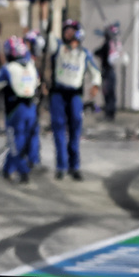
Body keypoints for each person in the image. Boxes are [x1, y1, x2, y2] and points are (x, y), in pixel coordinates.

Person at [49, 19, 100, 181]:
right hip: (58, 93)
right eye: (65, 30)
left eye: (71, 30)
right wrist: (44, 8)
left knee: (76, 127)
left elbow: (96, 72)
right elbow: (47, 33)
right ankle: (61, 166)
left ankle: (74, 166)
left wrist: (95, 85)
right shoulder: (58, 48)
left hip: (75, 95)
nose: (67, 33)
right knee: (58, 129)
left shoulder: (84, 54)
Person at [0, 36, 40, 185]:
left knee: (15, 143)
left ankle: (23, 172)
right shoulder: (31, 65)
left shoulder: (8, 69)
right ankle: (7, 169)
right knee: (22, 142)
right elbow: (37, 82)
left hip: (16, 110)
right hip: (31, 108)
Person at [94, 23, 122, 121]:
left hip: (108, 71)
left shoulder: (110, 44)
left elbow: (98, 52)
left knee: (108, 92)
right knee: (109, 92)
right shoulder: (112, 44)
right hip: (109, 71)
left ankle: (109, 113)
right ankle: (110, 112)